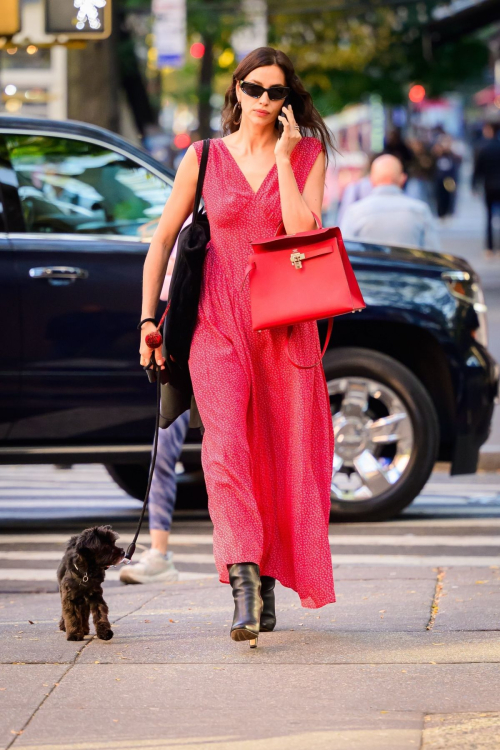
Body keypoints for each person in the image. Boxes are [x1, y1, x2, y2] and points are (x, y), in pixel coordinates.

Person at [138, 46, 337, 647]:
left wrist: (282, 156)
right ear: (237, 90)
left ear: (288, 101)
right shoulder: (202, 157)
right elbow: (163, 241)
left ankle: (271, 577)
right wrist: (147, 319)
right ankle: (244, 585)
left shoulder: (306, 155)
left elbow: (306, 231)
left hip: (283, 327)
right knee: (224, 450)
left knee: (284, 455)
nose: (263, 102)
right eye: (254, 90)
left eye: (275, 93)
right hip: (215, 323)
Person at [121, 243, 190, 585]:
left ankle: (256, 562)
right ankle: (159, 552)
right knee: (164, 450)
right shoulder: (187, 211)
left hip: (219, 339)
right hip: (179, 344)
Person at [340, 154, 440, 251]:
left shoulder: (354, 212)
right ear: (403, 179)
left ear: (371, 179)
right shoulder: (421, 211)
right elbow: (433, 256)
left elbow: (344, 255)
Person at [472, 122, 500, 256]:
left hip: (488, 186)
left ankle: (489, 248)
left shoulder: (484, 148)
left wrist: (474, 185)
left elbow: (478, 170)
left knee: (488, 217)